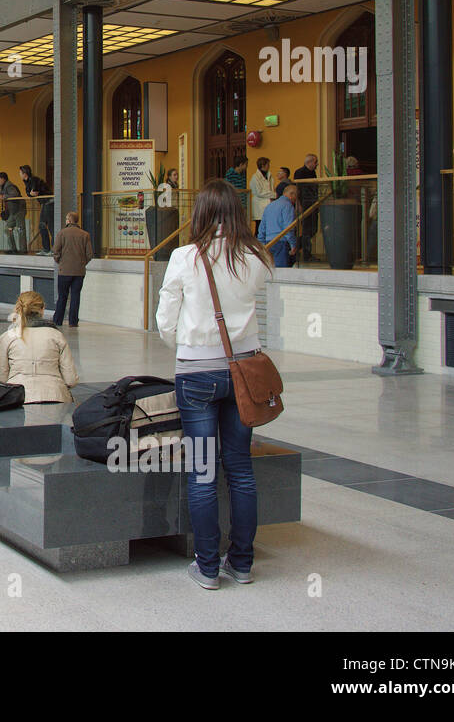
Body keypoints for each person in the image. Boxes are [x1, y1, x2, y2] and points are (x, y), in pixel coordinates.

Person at [155, 179, 272, 590]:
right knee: (240, 469)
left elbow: (165, 320)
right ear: (237, 212)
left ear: (201, 213)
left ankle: (206, 567)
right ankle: (240, 564)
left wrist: (187, 346)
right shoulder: (255, 257)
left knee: (203, 471)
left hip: (197, 375)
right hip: (243, 374)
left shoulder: (185, 256)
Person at [0, 291, 78, 404]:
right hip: (55, 397)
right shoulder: (56, 336)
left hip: (18, 399)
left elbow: (1, 380)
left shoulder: (7, 337)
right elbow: (71, 380)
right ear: (43, 309)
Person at [51, 211, 93, 327]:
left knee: (62, 296)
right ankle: (73, 321)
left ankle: (58, 320)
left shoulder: (62, 233)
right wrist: (82, 263)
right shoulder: (85, 235)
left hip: (64, 270)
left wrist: (59, 261)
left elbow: (55, 251)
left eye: (66, 219)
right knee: (75, 296)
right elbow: (89, 254)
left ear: (69, 220)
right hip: (79, 271)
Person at [257, 183, 300, 268]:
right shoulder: (288, 206)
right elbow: (288, 228)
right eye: (297, 196)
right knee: (282, 273)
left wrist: (261, 243)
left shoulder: (270, 206)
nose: (296, 199)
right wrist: (293, 245)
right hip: (282, 243)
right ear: (292, 194)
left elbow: (262, 228)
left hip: (269, 242)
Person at [20, 164, 53, 253]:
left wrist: (31, 193)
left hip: (48, 202)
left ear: (25, 173)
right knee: (45, 226)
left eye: (20, 173)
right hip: (45, 202)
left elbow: (34, 192)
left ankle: (49, 249)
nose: (19, 174)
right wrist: (31, 193)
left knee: (47, 226)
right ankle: (48, 248)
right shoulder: (28, 182)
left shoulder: (34, 180)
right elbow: (29, 194)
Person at [293, 153, 319, 261]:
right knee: (307, 230)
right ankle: (305, 253)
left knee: (313, 230)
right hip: (305, 204)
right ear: (309, 162)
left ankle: (296, 246)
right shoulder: (299, 172)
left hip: (313, 204)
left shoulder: (313, 172)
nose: (317, 164)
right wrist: (298, 204)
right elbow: (297, 190)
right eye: (315, 162)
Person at [0, 171, 25, 254]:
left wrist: (4, 196)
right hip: (13, 211)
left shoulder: (9, 185)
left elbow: (14, 195)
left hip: (19, 210)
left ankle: (23, 250)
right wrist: (0, 196)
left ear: (3, 179)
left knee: (20, 230)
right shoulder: (3, 187)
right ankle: (14, 249)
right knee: (7, 229)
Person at [249, 157, 272, 237]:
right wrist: (274, 194)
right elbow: (259, 192)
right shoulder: (255, 178)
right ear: (263, 165)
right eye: (268, 164)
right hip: (259, 205)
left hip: (268, 203)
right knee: (259, 226)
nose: (269, 166)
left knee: (267, 226)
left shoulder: (269, 175)